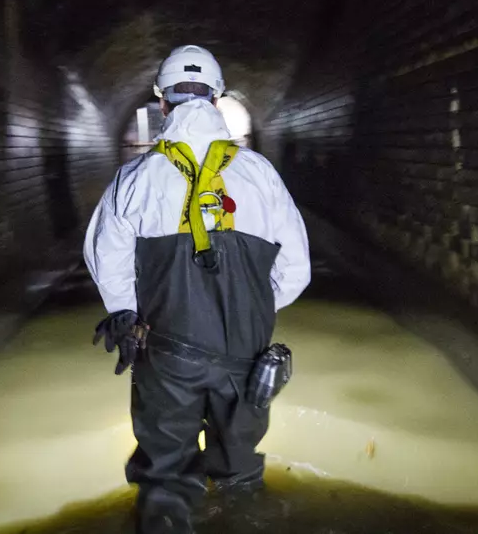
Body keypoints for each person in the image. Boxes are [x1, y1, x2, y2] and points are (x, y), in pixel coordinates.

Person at [83, 45, 311, 534]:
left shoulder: (134, 179)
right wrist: (249, 309)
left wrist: (125, 312)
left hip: (166, 355)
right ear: (217, 98)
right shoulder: (261, 175)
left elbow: (108, 261)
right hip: (247, 360)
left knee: (166, 477)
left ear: (161, 102)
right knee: (240, 471)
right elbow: (296, 270)